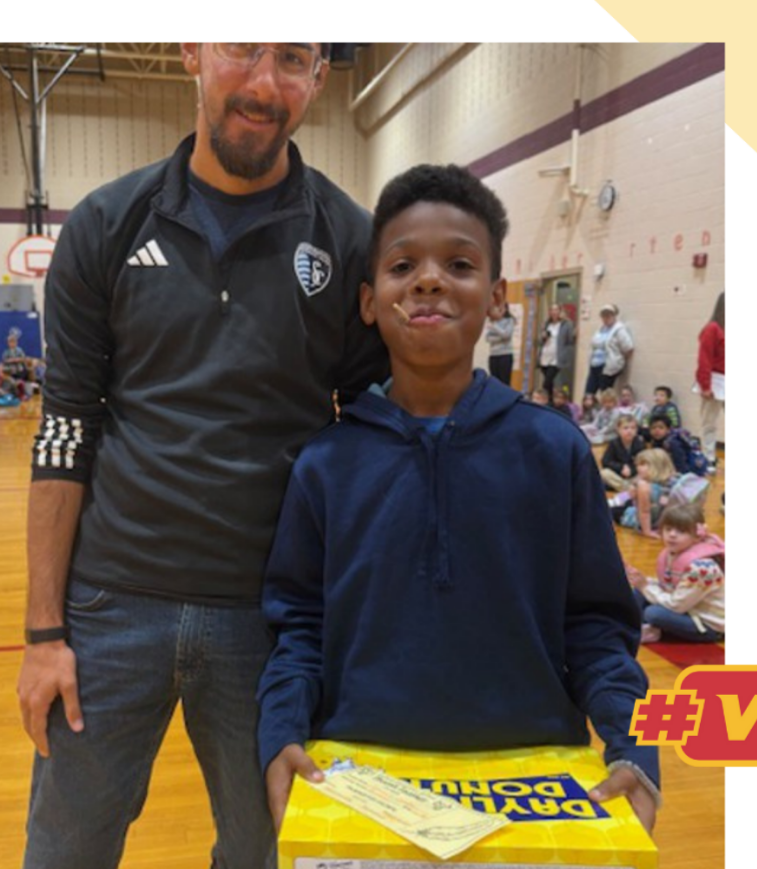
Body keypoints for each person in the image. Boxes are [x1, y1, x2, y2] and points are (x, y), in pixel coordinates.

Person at [17, 42, 386, 869]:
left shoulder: (350, 238)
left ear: (320, 80)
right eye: (242, 48)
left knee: (267, 854)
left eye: (292, 60)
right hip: (109, 609)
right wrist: (44, 633)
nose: (262, 84)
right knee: (64, 853)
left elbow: (369, 442)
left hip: (270, 621)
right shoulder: (107, 223)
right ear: (191, 49)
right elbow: (65, 426)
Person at [258, 163, 660, 838]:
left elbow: (596, 625)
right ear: (367, 299)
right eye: (403, 264)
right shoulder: (326, 463)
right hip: (358, 780)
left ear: (497, 297)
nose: (429, 279)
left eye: (460, 263)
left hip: (535, 781)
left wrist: (631, 744)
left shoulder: (555, 450)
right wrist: (280, 730)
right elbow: (298, 627)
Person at [627, 501, 725, 643]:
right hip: (688, 607)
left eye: (681, 531)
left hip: (708, 624)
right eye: (668, 529)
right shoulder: (673, 553)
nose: (672, 535)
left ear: (697, 536)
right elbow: (669, 585)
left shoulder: (702, 567)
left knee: (653, 613)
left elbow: (677, 606)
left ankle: (649, 628)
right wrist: (643, 582)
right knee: (639, 592)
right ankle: (635, 625)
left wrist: (645, 586)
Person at [614, 447, 676, 539]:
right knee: (625, 499)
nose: (637, 467)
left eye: (643, 464)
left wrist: (646, 532)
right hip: (661, 519)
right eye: (637, 464)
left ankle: (613, 502)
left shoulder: (644, 486)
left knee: (613, 509)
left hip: (640, 519)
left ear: (656, 465)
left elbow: (644, 512)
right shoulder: (673, 480)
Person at [696, 293, 724, 474]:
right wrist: (705, 385)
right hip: (715, 381)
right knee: (709, 422)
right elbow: (704, 358)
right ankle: (708, 458)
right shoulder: (712, 329)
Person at [586, 304, 633, 395]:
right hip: (595, 364)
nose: (606, 318)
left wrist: (618, 360)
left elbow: (629, 348)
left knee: (605, 394)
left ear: (614, 316)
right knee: (589, 393)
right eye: (604, 316)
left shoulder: (619, 330)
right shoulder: (600, 329)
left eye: (608, 315)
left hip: (607, 367)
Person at [600, 414, 648, 493]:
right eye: (625, 428)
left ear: (636, 430)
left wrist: (632, 470)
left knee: (647, 474)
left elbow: (644, 462)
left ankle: (626, 489)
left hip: (634, 475)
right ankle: (628, 489)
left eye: (633, 428)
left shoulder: (640, 444)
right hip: (619, 476)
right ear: (618, 430)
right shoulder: (614, 443)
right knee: (604, 473)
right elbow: (605, 461)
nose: (629, 431)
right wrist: (621, 467)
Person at [534, 304, 573, 400]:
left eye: (556, 310)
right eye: (551, 310)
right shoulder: (546, 324)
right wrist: (542, 337)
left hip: (556, 358)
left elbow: (570, 340)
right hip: (545, 356)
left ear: (560, 311)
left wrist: (565, 354)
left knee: (546, 382)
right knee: (549, 384)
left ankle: (544, 401)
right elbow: (539, 341)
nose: (554, 312)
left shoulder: (566, 324)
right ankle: (550, 402)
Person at [484, 298, 518, 385]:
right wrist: (501, 337)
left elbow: (507, 335)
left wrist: (494, 327)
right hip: (494, 355)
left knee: (504, 382)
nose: (499, 310)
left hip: (505, 355)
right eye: (497, 308)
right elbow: (488, 338)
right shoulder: (491, 321)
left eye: (501, 308)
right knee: (494, 382)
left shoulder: (509, 321)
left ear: (506, 309)